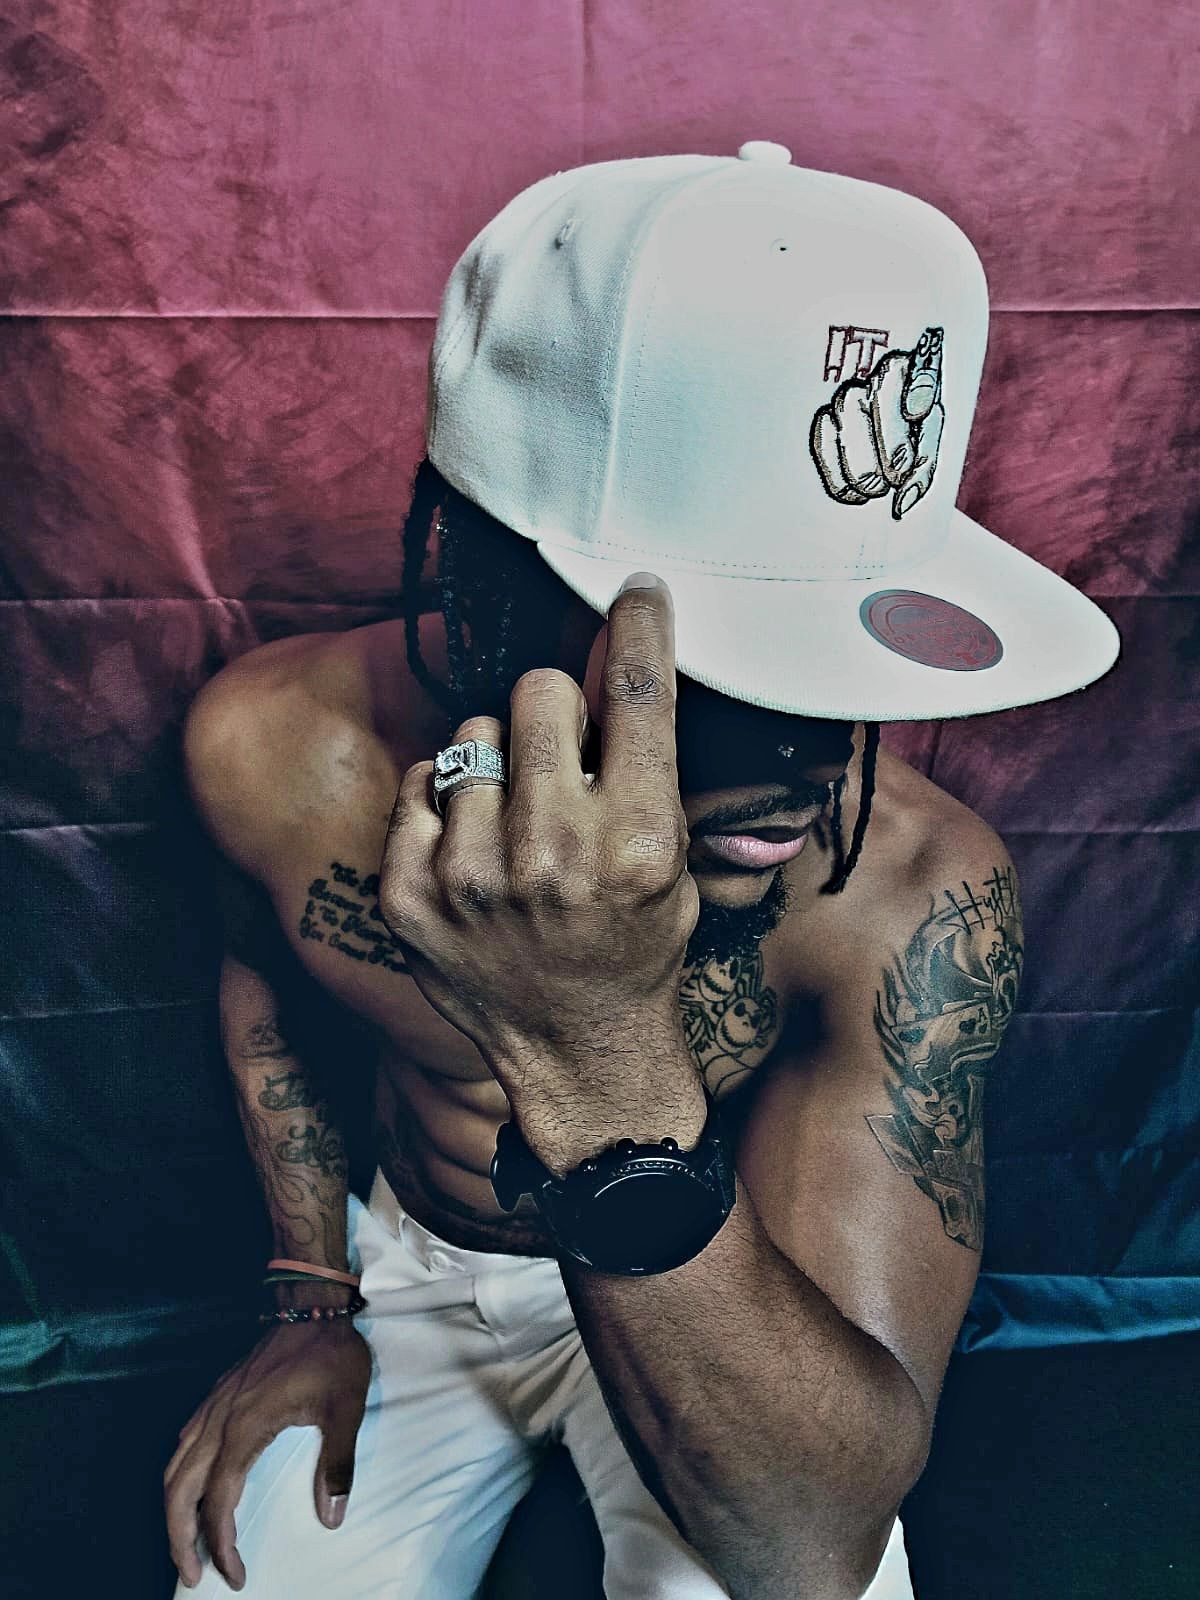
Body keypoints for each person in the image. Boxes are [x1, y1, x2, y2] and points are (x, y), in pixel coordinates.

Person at [163, 142, 1119, 1599]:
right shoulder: (271, 749)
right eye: (729, 664)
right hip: (416, 1274)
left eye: (839, 653)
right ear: (487, 584)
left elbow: (808, 1547)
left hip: (728, 1274)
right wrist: (310, 1294)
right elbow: (270, 985)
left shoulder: (907, 888)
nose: (815, 751)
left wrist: (596, 1052)